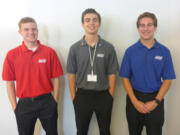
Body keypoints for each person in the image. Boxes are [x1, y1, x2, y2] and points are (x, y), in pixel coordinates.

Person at [2, 17, 63, 135]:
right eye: (26, 29)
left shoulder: (49, 52)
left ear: (37, 31)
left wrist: (54, 101)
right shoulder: (12, 55)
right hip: (24, 105)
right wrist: (15, 107)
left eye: (34, 29)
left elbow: (56, 78)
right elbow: (9, 83)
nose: (31, 32)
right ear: (20, 32)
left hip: (46, 102)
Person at [119, 12, 176, 135]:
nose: (146, 28)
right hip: (134, 99)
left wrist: (156, 101)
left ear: (155, 27)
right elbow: (125, 78)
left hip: (156, 99)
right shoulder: (130, 51)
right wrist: (134, 101)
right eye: (142, 25)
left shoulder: (164, 51)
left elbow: (168, 79)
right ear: (138, 28)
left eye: (149, 25)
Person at [67, 8, 119, 135]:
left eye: (95, 20)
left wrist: (110, 96)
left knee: (105, 131)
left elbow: (112, 73)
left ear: (99, 23)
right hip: (82, 96)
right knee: (81, 131)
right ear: (82, 24)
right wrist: (75, 98)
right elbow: (71, 74)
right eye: (87, 20)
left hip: (103, 95)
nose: (91, 23)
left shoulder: (108, 47)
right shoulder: (75, 48)